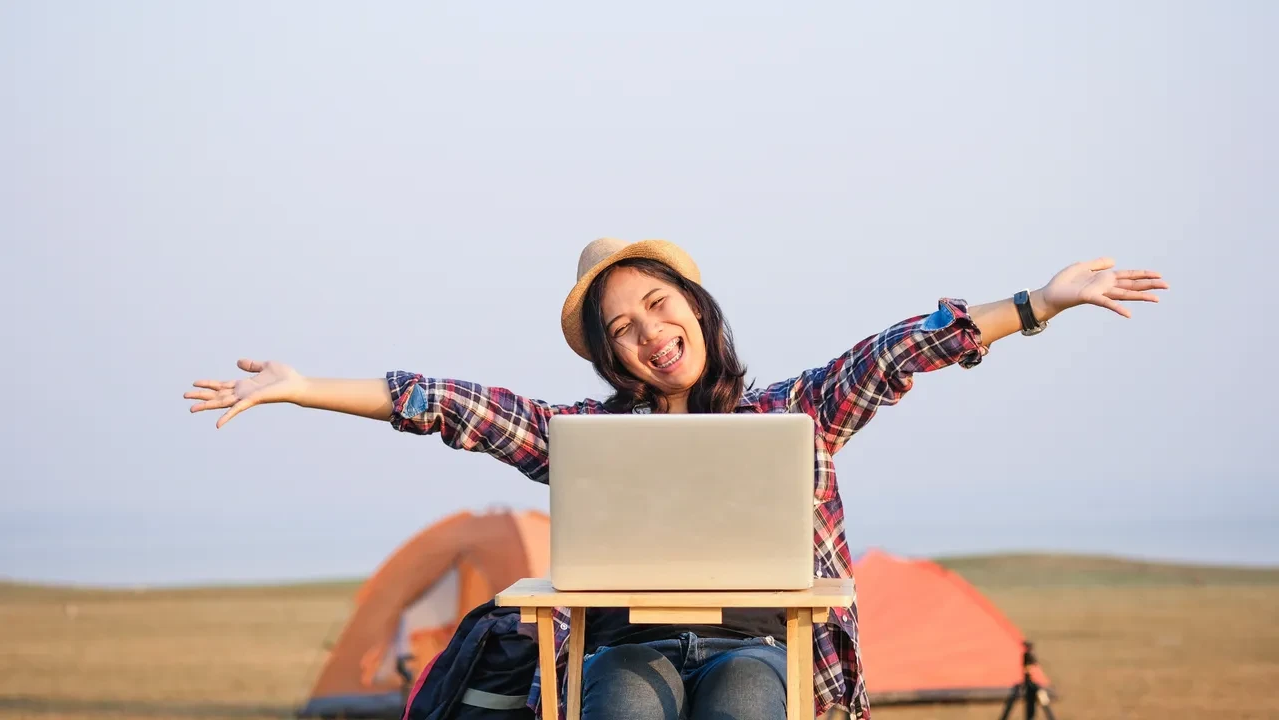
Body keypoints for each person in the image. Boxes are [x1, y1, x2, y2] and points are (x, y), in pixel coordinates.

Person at [185, 238, 1167, 720]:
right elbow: (444, 401)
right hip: (623, 653)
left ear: (695, 309)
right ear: (611, 359)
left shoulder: (792, 414)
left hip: (761, 651)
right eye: (622, 328)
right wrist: (304, 388)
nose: (650, 332)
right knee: (620, 701)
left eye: (659, 307)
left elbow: (896, 352)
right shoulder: (577, 435)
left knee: (743, 697)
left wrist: (1037, 303)